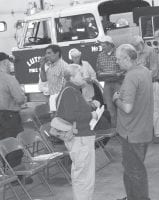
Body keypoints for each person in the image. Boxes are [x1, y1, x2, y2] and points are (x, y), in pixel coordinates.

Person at [113, 44, 153, 200]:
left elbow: (127, 108)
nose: (117, 62)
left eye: (118, 59)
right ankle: (132, 197)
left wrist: (116, 99)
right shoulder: (144, 71)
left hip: (132, 133)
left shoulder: (131, 76)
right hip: (142, 129)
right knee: (131, 169)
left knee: (135, 171)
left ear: (127, 58)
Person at [56, 64, 97, 200]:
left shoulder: (72, 90)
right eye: (80, 74)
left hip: (81, 136)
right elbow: (71, 116)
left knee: (85, 174)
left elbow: (76, 111)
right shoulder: (69, 91)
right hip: (80, 138)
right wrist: (92, 115)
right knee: (83, 175)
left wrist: (90, 107)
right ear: (72, 77)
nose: (84, 76)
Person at [131, 36, 159, 144]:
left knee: (154, 110)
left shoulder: (151, 51)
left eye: (137, 46)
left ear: (142, 43)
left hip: (151, 83)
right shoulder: (136, 54)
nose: (136, 48)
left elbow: (154, 70)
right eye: (134, 46)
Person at [0, 52, 26, 139]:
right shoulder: (9, 79)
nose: (10, 65)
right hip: (9, 116)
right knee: (15, 144)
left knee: (5, 143)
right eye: (9, 63)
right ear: (5, 63)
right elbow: (20, 99)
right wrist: (24, 98)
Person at [96, 35, 123, 128]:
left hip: (118, 84)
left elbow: (123, 69)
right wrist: (112, 73)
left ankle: (123, 129)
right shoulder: (100, 55)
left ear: (109, 45)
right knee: (110, 108)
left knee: (121, 107)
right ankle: (115, 129)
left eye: (103, 45)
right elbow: (98, 72)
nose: (102, 47)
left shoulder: (119, 54)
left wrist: (114, 74)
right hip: (107, 84)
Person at [39, 44, 68, 113]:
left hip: (61, 99)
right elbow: (44, 79)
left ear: (57, 53)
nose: (46, 56)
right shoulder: (50, 66)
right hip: (53, 98)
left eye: (49, 53)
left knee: (60, 120)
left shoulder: (64, 66)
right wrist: (42, 66)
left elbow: (67, 84)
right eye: (46, 53)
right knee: (54, 119)